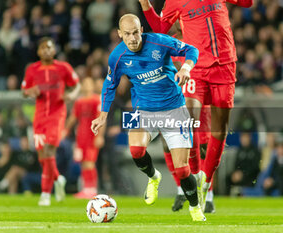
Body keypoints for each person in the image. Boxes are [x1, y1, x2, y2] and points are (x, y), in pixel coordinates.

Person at [138, 0, 254, 212]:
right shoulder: (174, 9)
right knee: (185, 124)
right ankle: (187, 183)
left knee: (218, 132)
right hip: (196, 70)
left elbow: (247, 3)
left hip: (225, 65)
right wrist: (145, 4)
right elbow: (160, 28)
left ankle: (206, 185)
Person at [91, 14, 205, 221]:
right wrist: (102, 115)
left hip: (174, 109)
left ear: (141, 29)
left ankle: (195, 207)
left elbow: (191, 49)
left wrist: (186, 67)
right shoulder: (117, 57)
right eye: (127, 34)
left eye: (135, 32)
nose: (133, 38)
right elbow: (110, 85)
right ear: (119, 34)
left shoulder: (158, 42)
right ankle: (154, 177)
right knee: (135, 151)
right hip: (142, 110)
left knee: (182, 170)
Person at [21, 37, 80, 206]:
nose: (46, 50)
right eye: (42, 48)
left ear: (54, 51)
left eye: (49, 48)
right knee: (42, 156)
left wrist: (72, 95)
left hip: (57, 114)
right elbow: (24, 90)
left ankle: (45, 194)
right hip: (39, 117)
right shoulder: (32, 69)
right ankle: (58, 179)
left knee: (48, 151)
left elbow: (76, 85)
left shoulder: (63, 68)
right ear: (38, 52)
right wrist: (30, 91)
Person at [63, 77, 105, 199]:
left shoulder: (97, 100)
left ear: (93, 86)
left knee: (89, 163)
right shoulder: (79, 102)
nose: (86, 85)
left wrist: (100, 136)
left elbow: (102, 119)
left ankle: (92, 189)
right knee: (82, 162)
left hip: (92, 136)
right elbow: (73, 118)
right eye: (84, 83)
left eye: (89, 83)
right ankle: (86, 189)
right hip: (81, 136)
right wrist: (65, 130)